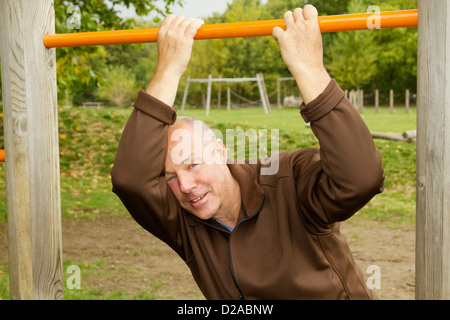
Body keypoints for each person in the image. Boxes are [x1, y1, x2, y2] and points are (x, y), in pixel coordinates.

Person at [111, 5, 385, 300]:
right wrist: (168, 70)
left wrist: (310, 70)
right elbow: (130, 178)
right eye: (170, 177)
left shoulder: (287, 180)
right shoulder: (180, 219)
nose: (185, 187)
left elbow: (361, 178)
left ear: (219, 150)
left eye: (192, 164)